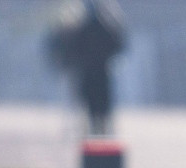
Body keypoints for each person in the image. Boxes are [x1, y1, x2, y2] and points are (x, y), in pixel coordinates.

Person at [46, 0, 127, 135]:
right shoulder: (105, 26)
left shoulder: (82, 27)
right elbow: (118, 44)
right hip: (99, 70)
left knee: (94, 100)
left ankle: (97, 127)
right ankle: (99, 127)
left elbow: (72, 48)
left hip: (92, 70)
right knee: (99, 100)